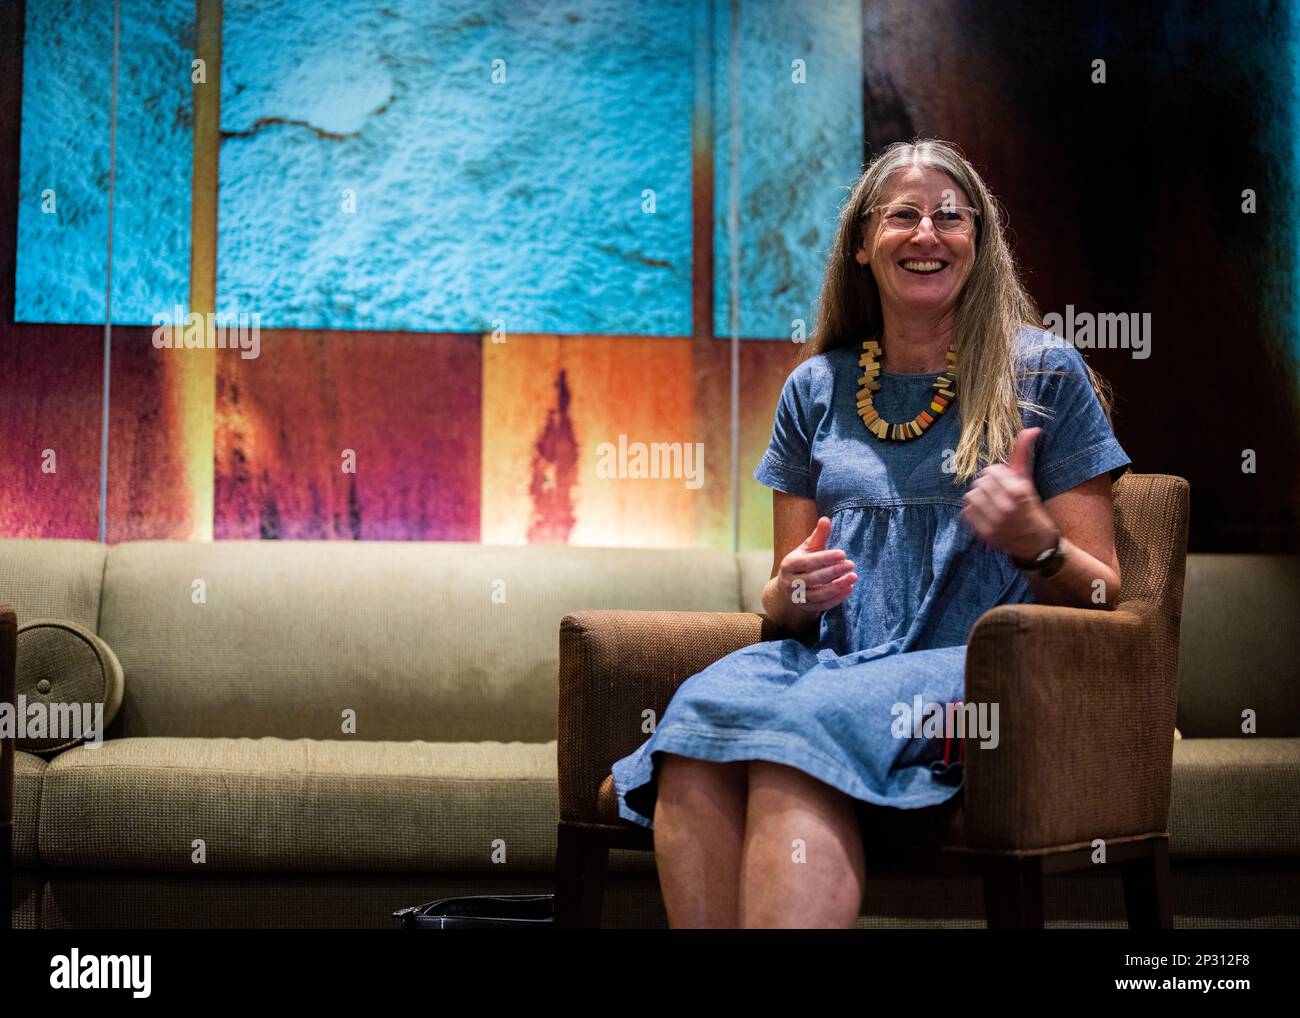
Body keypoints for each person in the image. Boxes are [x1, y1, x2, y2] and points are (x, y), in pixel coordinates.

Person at [610, 138, 1131, 928]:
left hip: (977, 680)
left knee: (797, 723)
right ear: (862, 243)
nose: (928, 234)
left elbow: (1105, 594)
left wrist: (1036, 540)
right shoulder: (815, 387)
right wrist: (789, 591)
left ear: (980, 243)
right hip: (829, 661)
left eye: (951, 218)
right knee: (700, 718)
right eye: (904, 216)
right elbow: (788, 606)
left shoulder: (1043, 373)